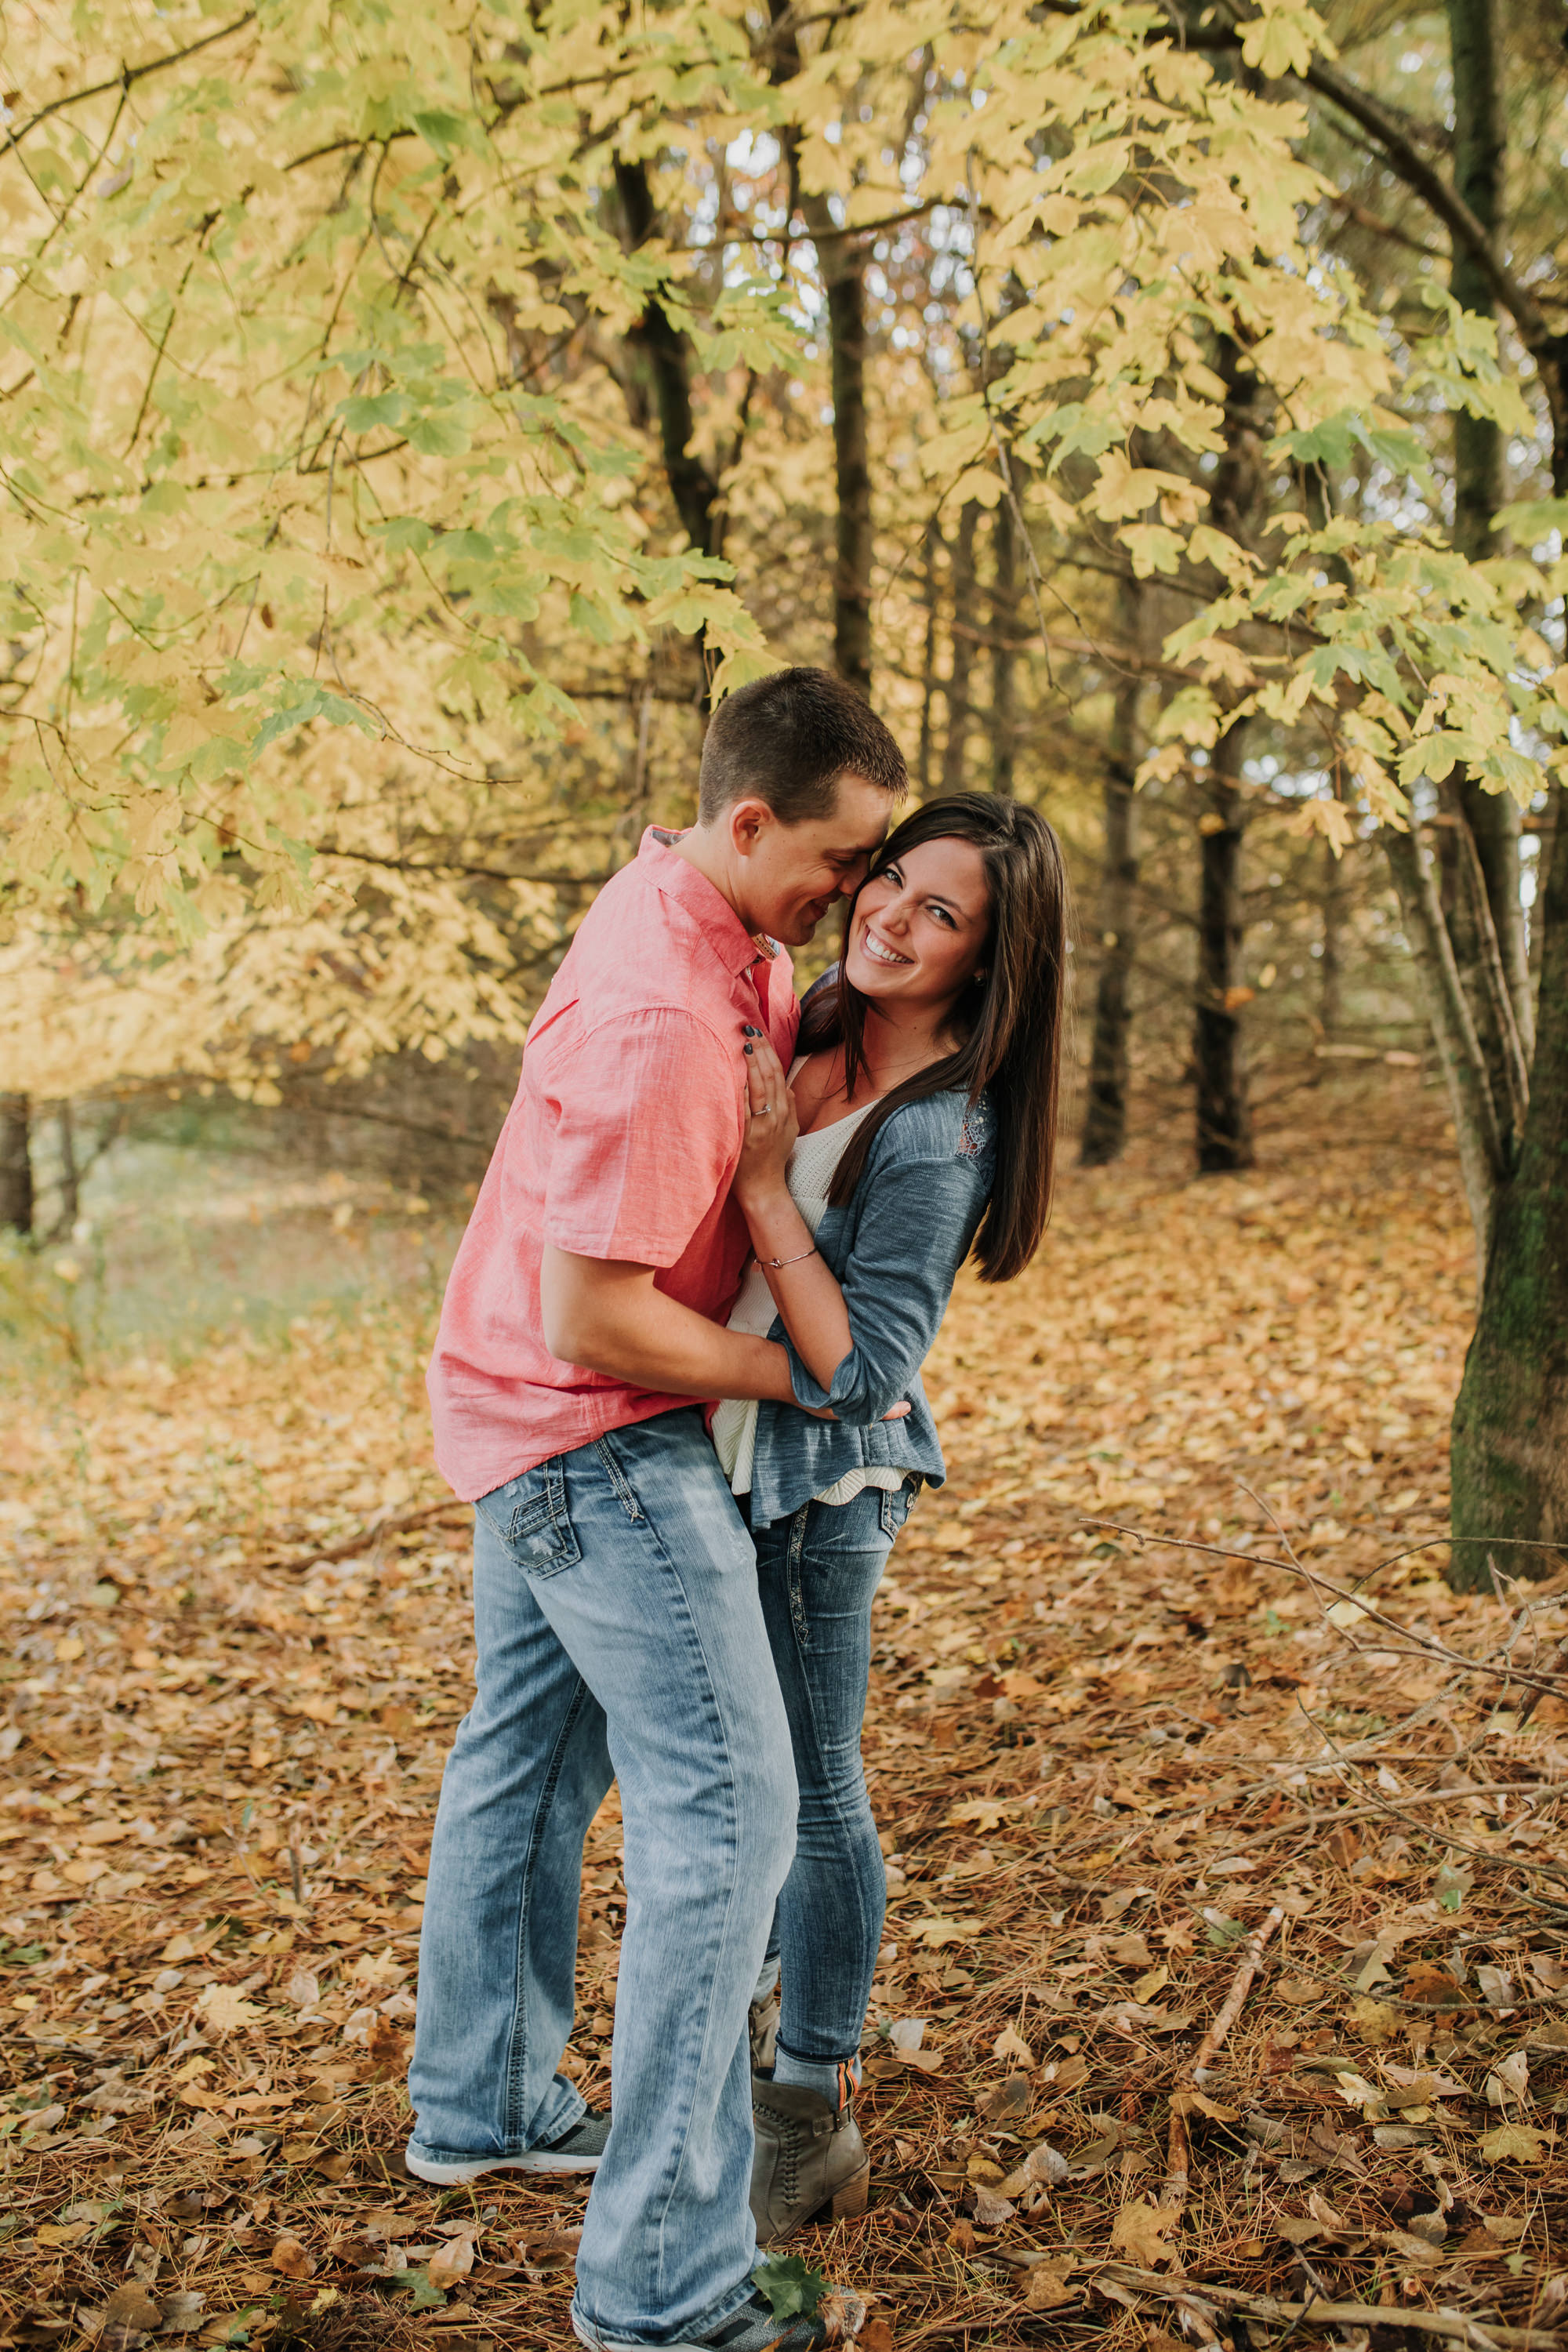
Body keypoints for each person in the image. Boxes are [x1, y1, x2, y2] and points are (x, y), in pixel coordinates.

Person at [412, 667, 907, 2352]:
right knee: (732, 1821)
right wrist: (806, 1385)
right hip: (589, 1428)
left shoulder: (712, 933)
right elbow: (597, 1315)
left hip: (510, 1407)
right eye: (837, 862)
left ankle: (478, 2107)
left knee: (530, 1754)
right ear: (750, 821)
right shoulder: (662, 1012)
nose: (849, 898)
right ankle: (665, 2290)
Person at [709, 793, 1069, 2246]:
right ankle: (718, 2069)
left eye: (941, 915)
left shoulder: (939, 1137)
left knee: (813, 1790)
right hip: (717, 1446)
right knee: (732, 1788)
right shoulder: (808, 1025)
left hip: (820, 1489)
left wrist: (758, 1183)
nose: (892, 920)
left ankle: (811, 2104)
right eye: (891, 885)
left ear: (989, 960)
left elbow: (866, 1370)